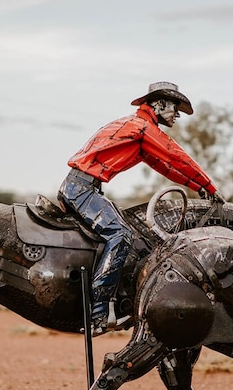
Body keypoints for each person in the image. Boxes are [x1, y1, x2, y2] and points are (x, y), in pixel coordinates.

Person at [58, 81, 224, 334]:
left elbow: (165, 165)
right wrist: (209, 187)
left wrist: (196, 186)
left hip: (81, 186)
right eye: (174, 108)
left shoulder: (134, 128)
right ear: (158, 104)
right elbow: (176, 156)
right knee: (121, 235)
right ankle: (99, 312)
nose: (177, 115)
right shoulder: (143, 128)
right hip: (82, 188)